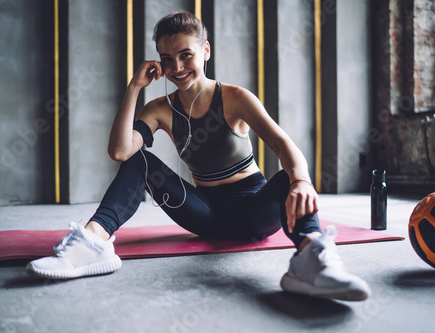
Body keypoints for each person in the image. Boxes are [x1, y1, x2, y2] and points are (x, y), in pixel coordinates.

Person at [27, 11, 370, 301]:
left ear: (205, 51)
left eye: (185, 55)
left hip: (253, 212)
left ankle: (311, 259)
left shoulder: (235, 98)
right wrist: (134, 88)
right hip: (203, 214)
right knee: (138, 159)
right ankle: (94, 243)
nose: (176, 67)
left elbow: (283, 144)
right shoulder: (160, 108)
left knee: (289, 179)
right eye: (166, 59)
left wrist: (301, 181)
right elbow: (120, 151)